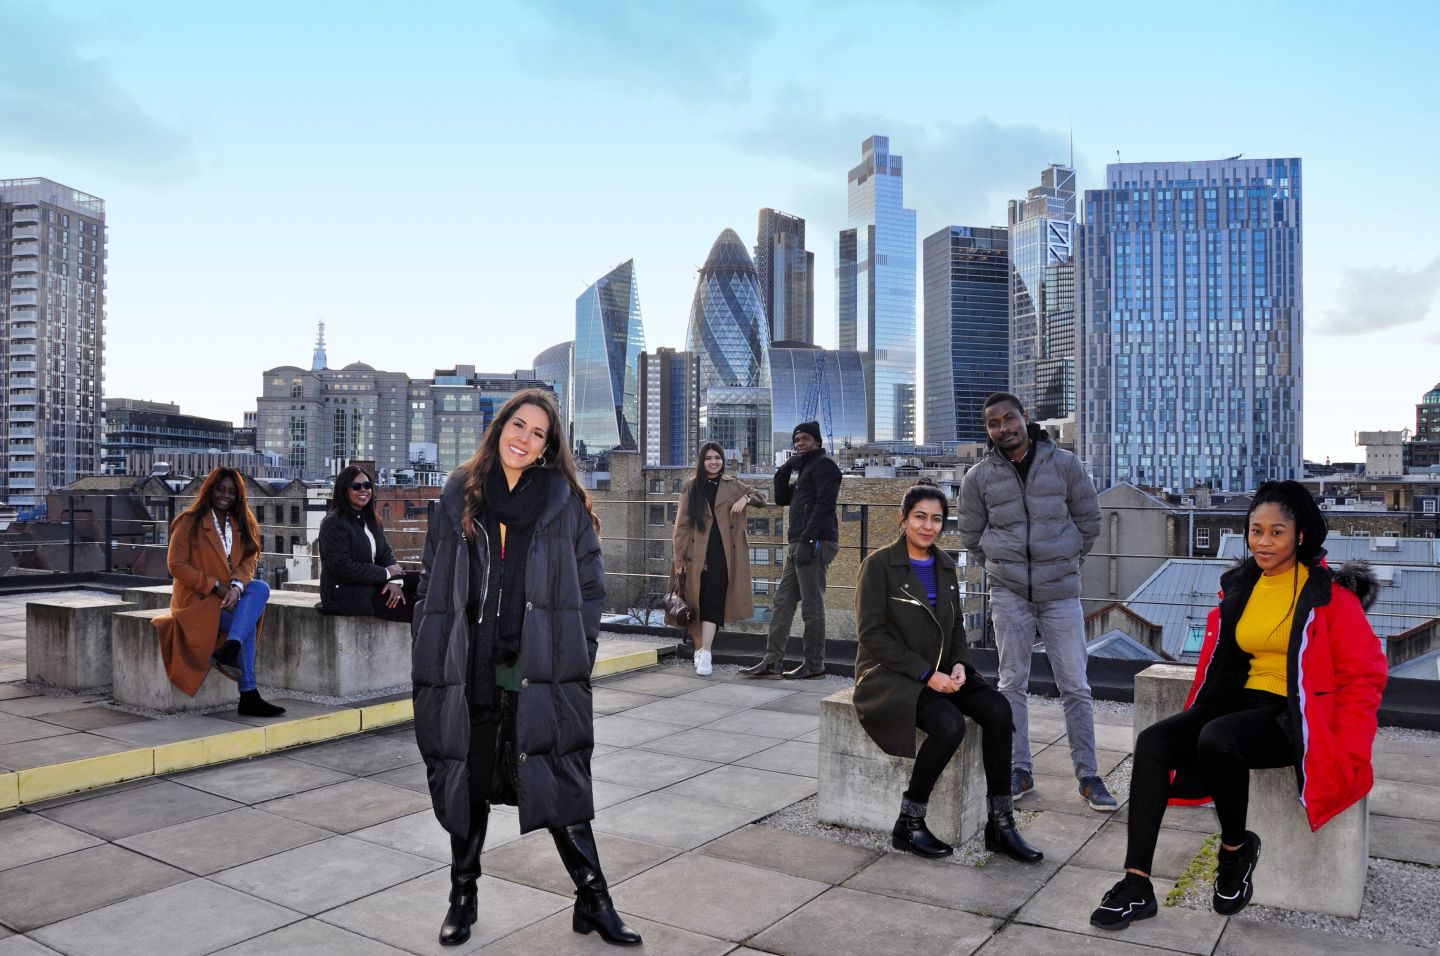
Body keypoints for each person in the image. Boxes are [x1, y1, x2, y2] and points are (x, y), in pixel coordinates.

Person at [1090, 480, 1386, 930]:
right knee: (1153, 743)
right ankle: (1136, 884)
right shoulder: (1242, 587)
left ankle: (1234, 851)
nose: (1263, 542)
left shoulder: (1329, 597)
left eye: (1276, 532)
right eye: (1255, 531)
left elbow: (1364, 676)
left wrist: (1351, 745)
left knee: (1218, 738)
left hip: (1295, 715)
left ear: (1300, 535)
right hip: (1239, 701)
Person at [411, 388, 641, 948]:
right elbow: (431, 581)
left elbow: (590, 588)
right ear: (499, 428)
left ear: (548, 446)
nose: (525, 439)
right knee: (469, 780)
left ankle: (594, 898)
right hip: (471, 664)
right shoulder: (457, 496)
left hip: (538, 664)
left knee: (556, 775)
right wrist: (429, 645)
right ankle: (461, 898)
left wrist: (575, 653)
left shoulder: (563, 502)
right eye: (519, 425)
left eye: (539, 433)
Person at [854, 480, 1043, 863]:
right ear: (903, 519)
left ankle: (1000, 823)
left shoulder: (944, 565)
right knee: (949, 725)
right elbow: (872, 635)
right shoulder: (879, 566)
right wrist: (927, 675)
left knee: (998, 709)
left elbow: (956, 627)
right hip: (892, 675)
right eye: (920, 517)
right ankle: (908, 823)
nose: (929, 526)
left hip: (941, 668)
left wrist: (958, 664)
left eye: (937, 519)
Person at [958, 393, 1113, 811]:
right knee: (1011, 685)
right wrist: (999, 565)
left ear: (1025, 418)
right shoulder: (978, 477)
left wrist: (1067, 560)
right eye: (994, 423)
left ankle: (1089, 775)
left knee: (1076, 686)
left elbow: (1089, 519)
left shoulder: (1065, 464)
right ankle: (1018, 769)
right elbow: (971, 534)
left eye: (1009, 418)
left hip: (1060, 591)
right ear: (988, 429)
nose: (1003, 427)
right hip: (1009, 593)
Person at [153, 467, 284, 717]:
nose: (225, 495)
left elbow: (250, 557)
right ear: (210, 489)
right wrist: (215, 586)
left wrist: (236, 587)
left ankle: (230, 648)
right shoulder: (188, 522)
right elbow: (175, 565)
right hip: (197, 601)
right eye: (221, 489)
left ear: (238, 495)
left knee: (260, 588)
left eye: (232, 492)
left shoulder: (242, 522)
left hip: (228, 597)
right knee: (244, 623)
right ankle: (248, 694)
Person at [740, 421, 842, 680]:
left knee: (811, 605)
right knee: (783, 601)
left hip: (815, 543)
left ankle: (815, 664)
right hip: (798, 543)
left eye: (805, 439)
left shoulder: (825, 466)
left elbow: (825, 506)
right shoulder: (804, 470)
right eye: (796, 440)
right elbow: (783, 498)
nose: (800, 443)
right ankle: (773, 660)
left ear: (817, 442)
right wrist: (786, 467)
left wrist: (808, 541)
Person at [669, 442, 766, 676]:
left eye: (718, 458)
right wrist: (679, 560)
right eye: (709, 458)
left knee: (712, 603)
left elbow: (761, 496)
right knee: (693, 604)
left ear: (723, 461)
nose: (713, 462)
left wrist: (746, 499)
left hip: (722, 554)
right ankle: (699, 650)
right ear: (702, 462)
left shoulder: (733, 485)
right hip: (693, 556)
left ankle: (706, 653)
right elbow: (680, 526)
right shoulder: (691, 488)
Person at [317, 464, 415, 622]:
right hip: (343, 595)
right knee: (418, 605)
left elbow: (384, 552)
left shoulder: (370, 519)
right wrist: (386, 574)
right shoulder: (334, 523)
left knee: (425, 582)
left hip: (370, 584)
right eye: (356, 486)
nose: (363, 490)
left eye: (367, 485)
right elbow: (342, 568)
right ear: (344, 491)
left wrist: (395, 580)